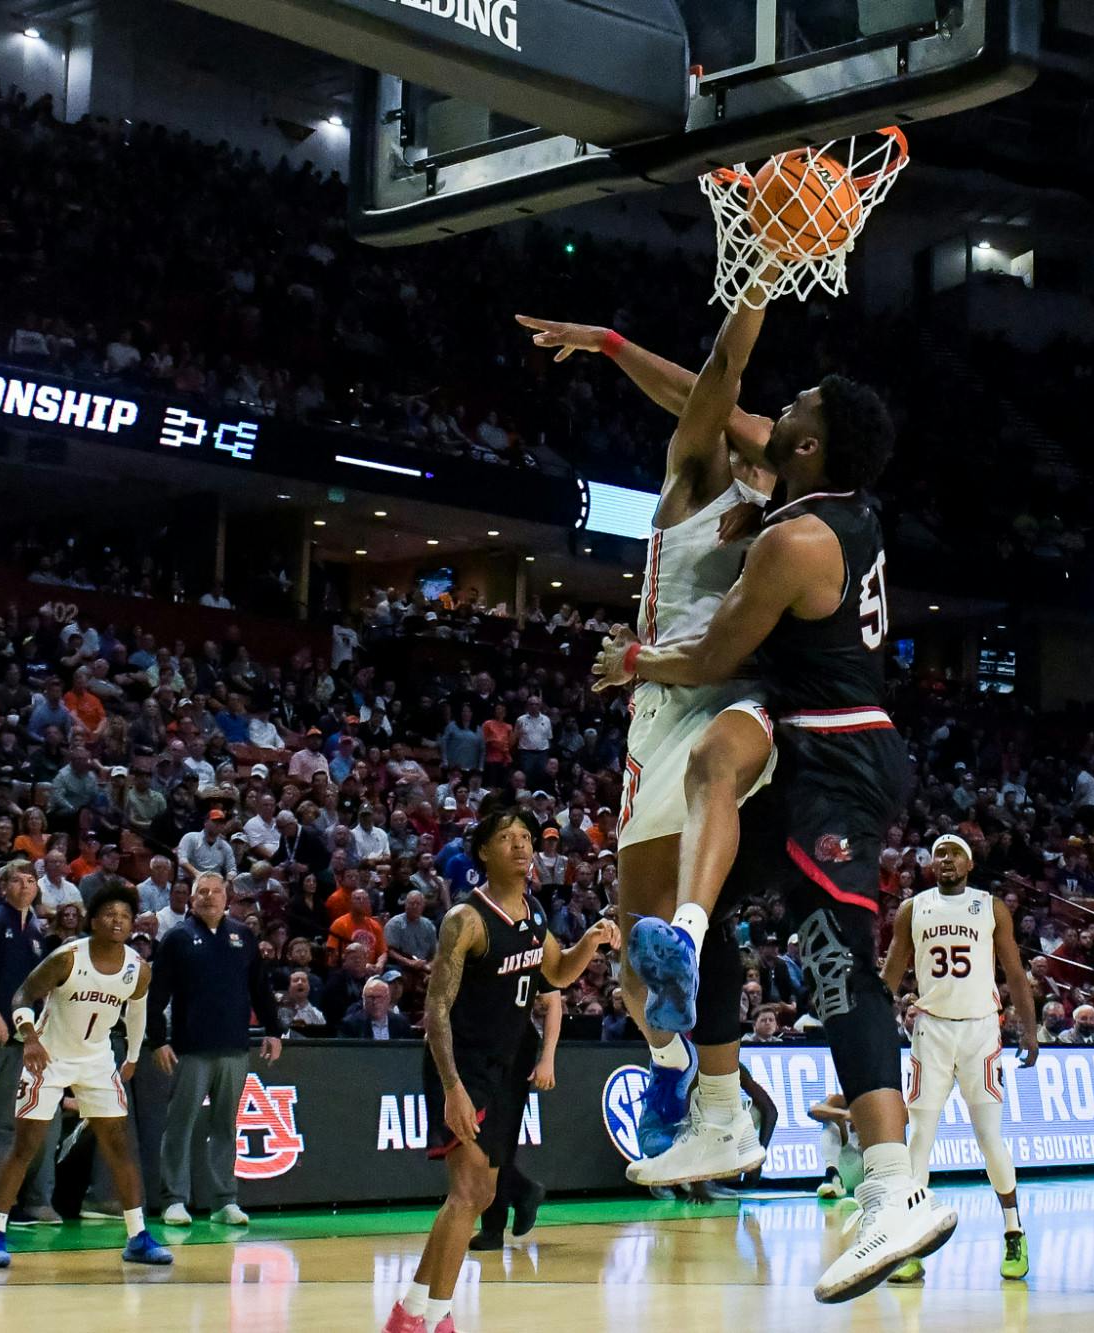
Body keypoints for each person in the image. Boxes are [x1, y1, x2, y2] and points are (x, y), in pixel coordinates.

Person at [595, 332, 954, 1301]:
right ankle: (721, 1109)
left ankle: (892, 1188)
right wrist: (613, 345)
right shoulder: (827, 496)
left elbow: (711, 657)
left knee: (833, 958)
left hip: (836, 754)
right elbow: (709, 399)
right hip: (806, 748)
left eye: (790, 409)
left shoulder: (798, 538)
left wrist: (633, 664)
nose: (771, 411)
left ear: (806, 447)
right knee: (685, 901)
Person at [517, 308, 777, 1160]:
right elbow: (719, 370)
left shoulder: (794, 520)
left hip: (738, 703)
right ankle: (670, 1059)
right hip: (659, 710)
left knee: (723, 785)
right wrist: (755, 284)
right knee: (636, 943)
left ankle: (720, 1075)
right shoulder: (698, 478)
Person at [384, 803, 618, 1333]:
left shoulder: (533, 914)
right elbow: (436, 1009)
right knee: (467, 1194)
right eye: (508, 838)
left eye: (526, 838)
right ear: (484, 851)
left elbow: (555, 973)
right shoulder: (466, 919)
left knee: (484, 1194)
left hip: (507, 1065)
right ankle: (435, 1318)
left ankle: (410, 1312)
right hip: (463, 1066)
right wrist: (452, 1087)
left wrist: (591, 942)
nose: (521, 846)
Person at [0, 883, 171, 1269]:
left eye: (125, 916)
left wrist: (132, 1056)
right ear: (94, 921)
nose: (118, 921)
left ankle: (138, 1235)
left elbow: (137, 1013)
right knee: (27, 1144)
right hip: (48, 1056)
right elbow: (22, 996)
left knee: (118, 1143)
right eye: (110, 915)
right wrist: (29, 1037)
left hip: (98, 1059)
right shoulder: (67, 958)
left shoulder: (139, 968)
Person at [880, 834, 1038, 1284]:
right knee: (920, 1137)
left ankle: (1013, 1230)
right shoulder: (914, 909)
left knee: (990, 1137)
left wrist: (1029, 1029)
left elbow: (1013, 971)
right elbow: (890, 976)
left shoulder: (990, 907)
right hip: (931, 1029)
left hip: (981, 1030)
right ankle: (912, 1241)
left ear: (969, 864)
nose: (945, 859)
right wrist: (871, 1022)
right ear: (931, 864)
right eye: (939, 853)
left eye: (954, 853)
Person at [147, 872, 285, 1229]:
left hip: (234, 1047)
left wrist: (273, 1030)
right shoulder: (177, 937)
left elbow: (260, 987)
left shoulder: (243, 935)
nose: (209, 897)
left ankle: (225, 1200)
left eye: (216, 892)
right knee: (181, 1124)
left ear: (228, 898)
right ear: (191, 899)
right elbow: (157, 993)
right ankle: (174, 1199)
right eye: (201, 892)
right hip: (190, 1048)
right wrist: (158, 1039)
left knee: (226, 1125)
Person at [0, 865, 61, 1225]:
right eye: (17, 880)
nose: (25, 885)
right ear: (2, 886)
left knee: (5, 1124)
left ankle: (0, 1202)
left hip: (21, 1039)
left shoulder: (37, 931)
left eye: (31, 880)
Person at [469, 990, 562, 1251]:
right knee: (478, 1136)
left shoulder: (534, 948)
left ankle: (493, 1228)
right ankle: (523, 1190)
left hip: (514, 1045)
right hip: (475, 1041)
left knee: (499, 1137)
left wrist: (548, 1057)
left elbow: (553, 999)